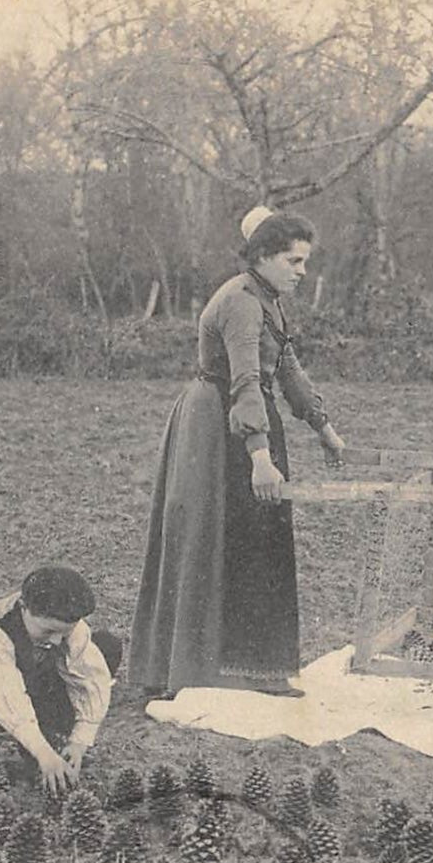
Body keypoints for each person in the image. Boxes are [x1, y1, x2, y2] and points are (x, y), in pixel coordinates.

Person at [128, 206, 345, 698]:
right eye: (294, 261)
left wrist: (323, 428)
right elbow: (245, 381)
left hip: (247, 422)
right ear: (264, 256)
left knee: (259, 538)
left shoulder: (269, 300)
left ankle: (256, 669)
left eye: (304, 262)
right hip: (216, 427)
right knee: (212, 539)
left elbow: (286, 370)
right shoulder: (242, 302)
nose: (302, 272)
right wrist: (261, 458)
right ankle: (194, 669)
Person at [0, 566, 121, 793]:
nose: (56, 640)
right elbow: (8, 697)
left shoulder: (67, 625)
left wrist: (79, 742)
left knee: (105, 647)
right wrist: (43, 753)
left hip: (37, 685)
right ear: (24, 608)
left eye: (64, 633)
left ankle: (51, 742)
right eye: (48, 631)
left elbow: (89, 680)